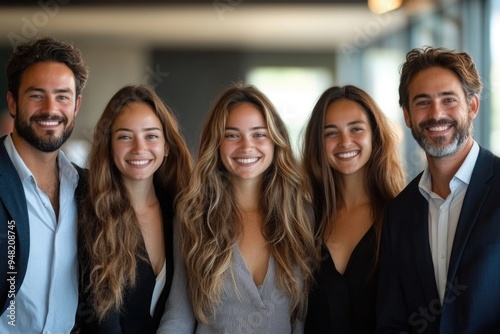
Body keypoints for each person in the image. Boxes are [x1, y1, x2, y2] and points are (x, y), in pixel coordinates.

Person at [157, 82, 317, 333]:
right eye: (232, 135)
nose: (246, 146)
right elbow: (179, 314)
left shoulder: (301, 215)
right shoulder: (193, 216)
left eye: (259, 134)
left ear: (275, 141)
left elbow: (302, 318)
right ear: (216, 144)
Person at [376, 46, 500, 333]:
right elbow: (392, 319)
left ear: (472, 107)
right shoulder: (399, 212)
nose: (436, 114)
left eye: (448, 99)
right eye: (422, 102)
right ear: (407, 115)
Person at [75, 85, 193, 333]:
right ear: (109, 145)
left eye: (151, 136)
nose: (139, 148)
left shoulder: (180, 212)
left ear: (167, 146)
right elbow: (100, 321)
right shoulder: (89, 211)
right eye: (125, 136)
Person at [0, 36, 88, 333]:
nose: (51, 109)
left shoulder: (88, 189)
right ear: (12, 102)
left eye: (62, 96)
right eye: (37, 95)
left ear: (76, 105)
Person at [301, 85, 405, 333]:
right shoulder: (303, 221)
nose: (345, 142)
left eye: (356, 129)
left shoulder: (402, 216)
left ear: (375, 136)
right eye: (331, 133)